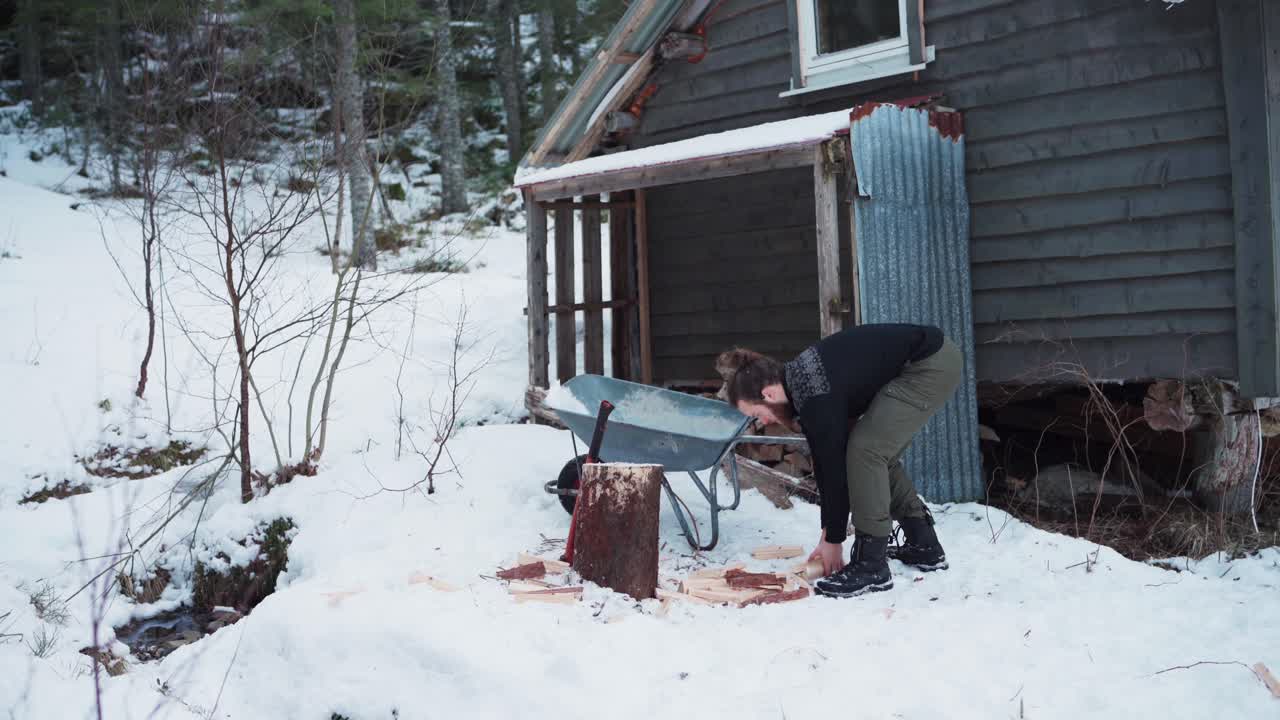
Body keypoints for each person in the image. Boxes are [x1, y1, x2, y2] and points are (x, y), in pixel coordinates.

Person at [721, 323, 962, 598]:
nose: (763, 422)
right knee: (872, 449)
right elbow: (824, 463)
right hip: (927, 360)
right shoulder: (801, 386)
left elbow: (835, 470)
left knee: (866, 450)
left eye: (757, 414)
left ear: (768, 394)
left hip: (929, 363)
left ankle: (871, 565)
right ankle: (924, 544)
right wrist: (828, 535)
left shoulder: (813, 395)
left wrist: (833, 540)